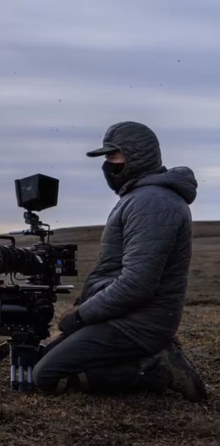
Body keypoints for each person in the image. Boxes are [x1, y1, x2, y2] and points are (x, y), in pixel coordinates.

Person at [31, 121, 208, 402]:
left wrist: (81, 316)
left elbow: (138, 283)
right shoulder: (140, 196)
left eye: (113, 156)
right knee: (43, 362)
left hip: (139, 323)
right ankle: (143, 356)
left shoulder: (152, 202)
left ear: (136, 155)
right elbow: (116, 270)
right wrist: (85, 308)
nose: (107, 165)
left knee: (46, 376)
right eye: (106, 157)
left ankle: (156, 367)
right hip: (123, 315)